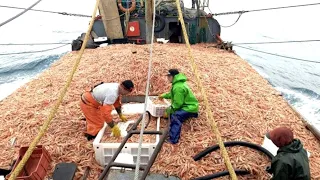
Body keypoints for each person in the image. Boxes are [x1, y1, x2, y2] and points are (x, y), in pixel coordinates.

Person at [159, 69, 199, 144]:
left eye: (169, 76)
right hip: (188, 106)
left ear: (174, 76)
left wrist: (168, 111)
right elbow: (172, 94)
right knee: (173, 114)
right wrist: (163, 95)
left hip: (189, 108)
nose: (167, 78)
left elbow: (178, 104)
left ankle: (173, 140)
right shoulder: (178, 84)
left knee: (175, 116)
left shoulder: (178, 87)